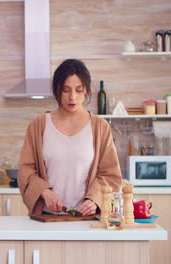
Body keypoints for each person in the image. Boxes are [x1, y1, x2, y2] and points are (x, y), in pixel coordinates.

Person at [18, 59, 122, 216]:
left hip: (87, 219)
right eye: (66, 90)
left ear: (86, 90)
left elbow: (110, 175)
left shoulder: (100, 127)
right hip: (47, 217)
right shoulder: (39, 125)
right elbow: (26, 170)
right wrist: (44, 192)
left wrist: (94, 200)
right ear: (57, 90)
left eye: (79, 90)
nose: (72, 97)